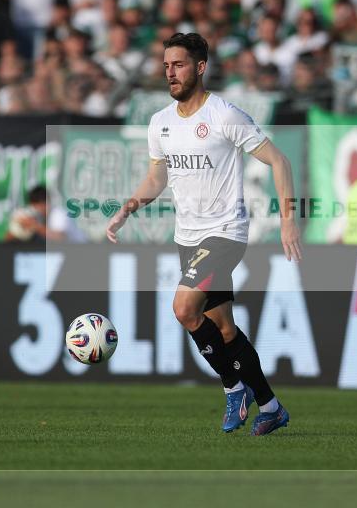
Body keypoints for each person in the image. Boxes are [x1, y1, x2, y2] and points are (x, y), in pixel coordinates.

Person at [106, 32, 301, 436]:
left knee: (183, 309)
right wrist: (128, 207)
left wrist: (287, 219)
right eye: (165, 66)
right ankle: (271, 405)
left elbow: (279, 161)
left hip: (225, 232)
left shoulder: (225, 115)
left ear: (199, 67)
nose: (170, 74)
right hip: (188, 237)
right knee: (224, 330)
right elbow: (156, 178)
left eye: (177, 65)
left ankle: (233, 388)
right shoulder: (159, 123)